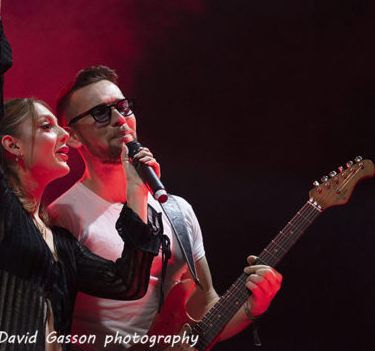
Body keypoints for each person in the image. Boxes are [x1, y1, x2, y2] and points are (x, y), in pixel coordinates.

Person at [0, 0, 169, 350]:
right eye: (47, 126)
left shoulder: (60, 241)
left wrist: (136, 192)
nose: (63, 137)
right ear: (12, 146)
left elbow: (127, 282)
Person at [48, 66, 283, 349]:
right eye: (101, 113)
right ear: (72, 136)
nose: (120, 119)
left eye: (123, 107)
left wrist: (253, 308)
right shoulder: (61, 216)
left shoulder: (177, 210)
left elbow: (205, 307)